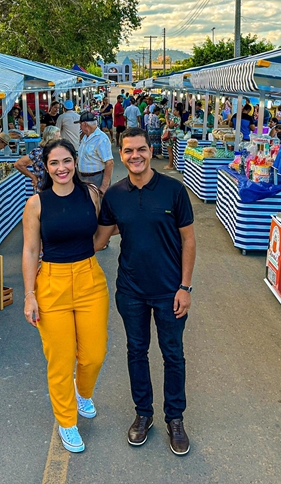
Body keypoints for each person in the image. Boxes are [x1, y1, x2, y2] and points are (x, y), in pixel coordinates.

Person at [94, 127, 196, 456]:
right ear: (121, 155)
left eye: (140, 149)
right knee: (136, 352)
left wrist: (185, 286)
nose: (134, 156)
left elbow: (189, 240)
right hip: (131, 291)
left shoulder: (173, 191)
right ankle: (143, 414)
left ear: (151, 151)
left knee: (173, 355)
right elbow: (99, 239)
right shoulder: (115, 196)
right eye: (128, 151)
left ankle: (175, 419)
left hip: (170, 291)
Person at [22, 140, 109, 454]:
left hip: (89, 279)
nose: (62, 168)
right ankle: (66, 421)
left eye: (67, 161)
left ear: (75, 162)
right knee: (59, 361)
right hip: (51, 284)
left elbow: (101, 235)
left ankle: (83, 393)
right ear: (46, 167)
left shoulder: (91, 194)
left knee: (94, 354)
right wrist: (29, 295)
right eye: (54, 163)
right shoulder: (36, 204)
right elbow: (31, 250)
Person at [14, 126, 60, 193]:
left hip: (56, 187)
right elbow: (18, 164)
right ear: (51, 138)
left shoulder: (58, 150)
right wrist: (33, 177)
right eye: (58, 137)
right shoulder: (38, 152)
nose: (60, 139)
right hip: (43, 188)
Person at [76, 112, 114, 193]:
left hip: (95, 179)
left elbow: (109, 163)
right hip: (83, 178)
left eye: (80, 124)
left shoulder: (101, 139)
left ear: (85, 124)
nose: (79, 126)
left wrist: (104, 186)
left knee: (97, 204)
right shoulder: (85, 136)